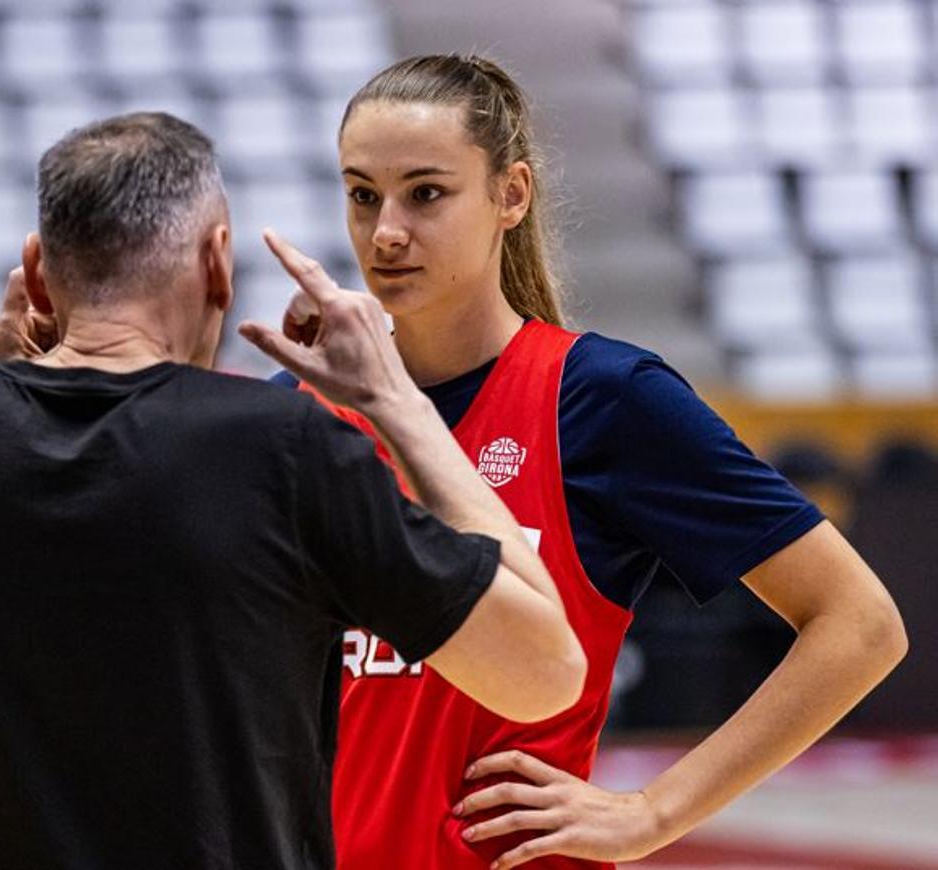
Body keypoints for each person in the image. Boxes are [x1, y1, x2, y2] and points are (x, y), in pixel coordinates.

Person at [0, 112, 588, 870]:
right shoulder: (284, 447)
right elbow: (544, 670)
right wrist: (395, 403)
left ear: (39, 276)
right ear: (215, 263)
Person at [250, 54, 908, 869]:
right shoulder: (295, 411)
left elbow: (860, 624)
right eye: (362, 194)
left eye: (426, 193)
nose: (386, 230)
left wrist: (654, 811)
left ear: (510, 195)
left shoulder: (604, 399)